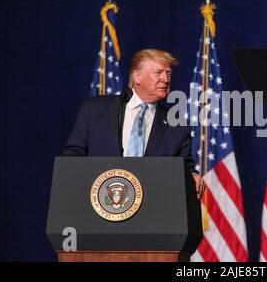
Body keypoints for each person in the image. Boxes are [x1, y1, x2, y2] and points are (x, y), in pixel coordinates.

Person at [63, 48, 205, 199]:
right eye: (158, 73)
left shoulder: (177, 125)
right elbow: (73, 156)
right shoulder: (95, 109)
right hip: (98, 203)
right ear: (137, 76)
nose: (166, 79)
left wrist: (192, 175)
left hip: (151, 209)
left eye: (168, 73)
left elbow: (184, 167)